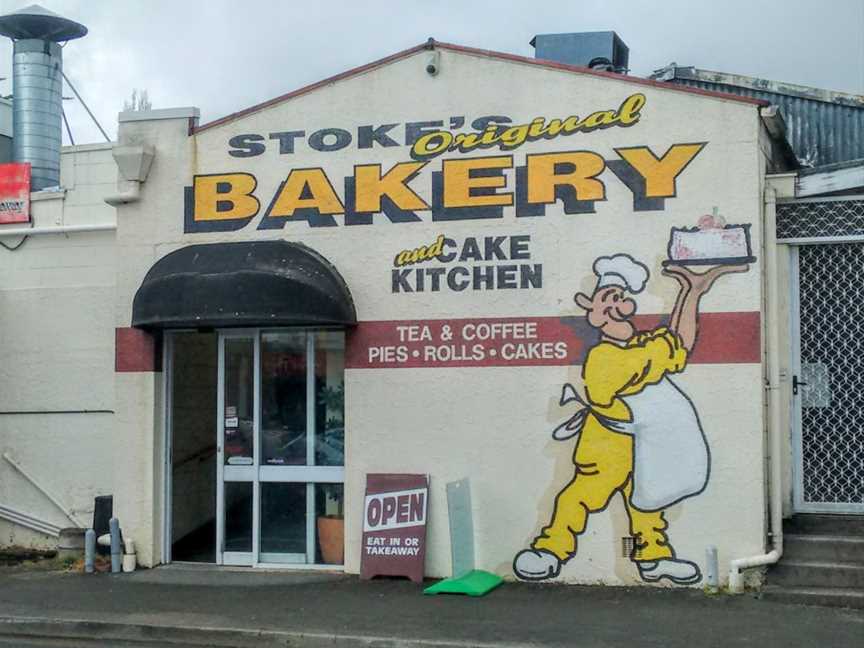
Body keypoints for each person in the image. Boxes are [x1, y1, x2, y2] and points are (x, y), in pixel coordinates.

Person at [513, 253, 747, 584]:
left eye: (621, 298)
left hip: (645, 446)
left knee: (648, 507)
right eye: (607, 299)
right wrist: (660, 351)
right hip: (607, 446)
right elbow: (654, 358)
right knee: (578, 497)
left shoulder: (640, 348)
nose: (615, 304)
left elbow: (677, 342)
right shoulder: (604, 356)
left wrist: (691, 292)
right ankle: (550, 551)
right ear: (590, 310)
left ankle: (654, 558)